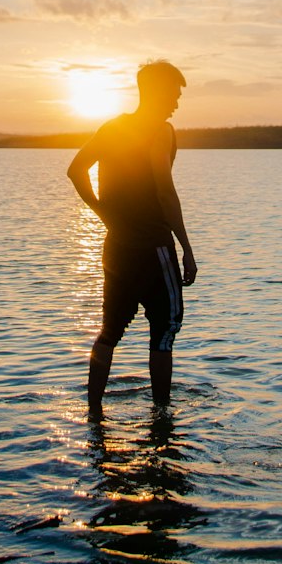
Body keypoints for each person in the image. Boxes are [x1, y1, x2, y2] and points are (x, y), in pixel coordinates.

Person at [67, 60, 197, 408]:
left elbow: (75, 170)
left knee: (109, 333)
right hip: (154, 248)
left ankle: (93, 411)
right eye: (173, 93)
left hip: (117, 248)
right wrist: (186, 247)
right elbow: (165, 191)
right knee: (163, 335)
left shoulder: (112, 127)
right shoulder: (161, 130)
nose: (176, 102)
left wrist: (103, 213)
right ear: (156, 92)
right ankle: (161, 417)